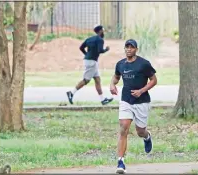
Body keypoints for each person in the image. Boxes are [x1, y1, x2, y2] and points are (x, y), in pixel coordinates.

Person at [110, 39, 157, 174]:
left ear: (136, 49)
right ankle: (120, 161)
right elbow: (116, 77)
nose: (129, 49)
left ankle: (147, 137)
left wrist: (141, 91)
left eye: (131, 47)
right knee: (123, 128)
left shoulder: (144, 64)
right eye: (127, 47)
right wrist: (112, 85)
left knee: (140, 131)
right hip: (126, 100)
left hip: (142, 101)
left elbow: (154, 80)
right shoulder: (120, 64)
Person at [66, 25, 113, 105]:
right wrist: (106, 50)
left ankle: (102, 100)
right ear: (100, 31)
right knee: (86, 80)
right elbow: (100, 50)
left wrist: (87, 54)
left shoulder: (89, 39)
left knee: (97, 80)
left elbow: (81, 47)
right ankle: (71, 93)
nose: (103, 32)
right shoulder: (100, 40)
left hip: (89, 61)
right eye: (103, 30)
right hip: (92, 62)